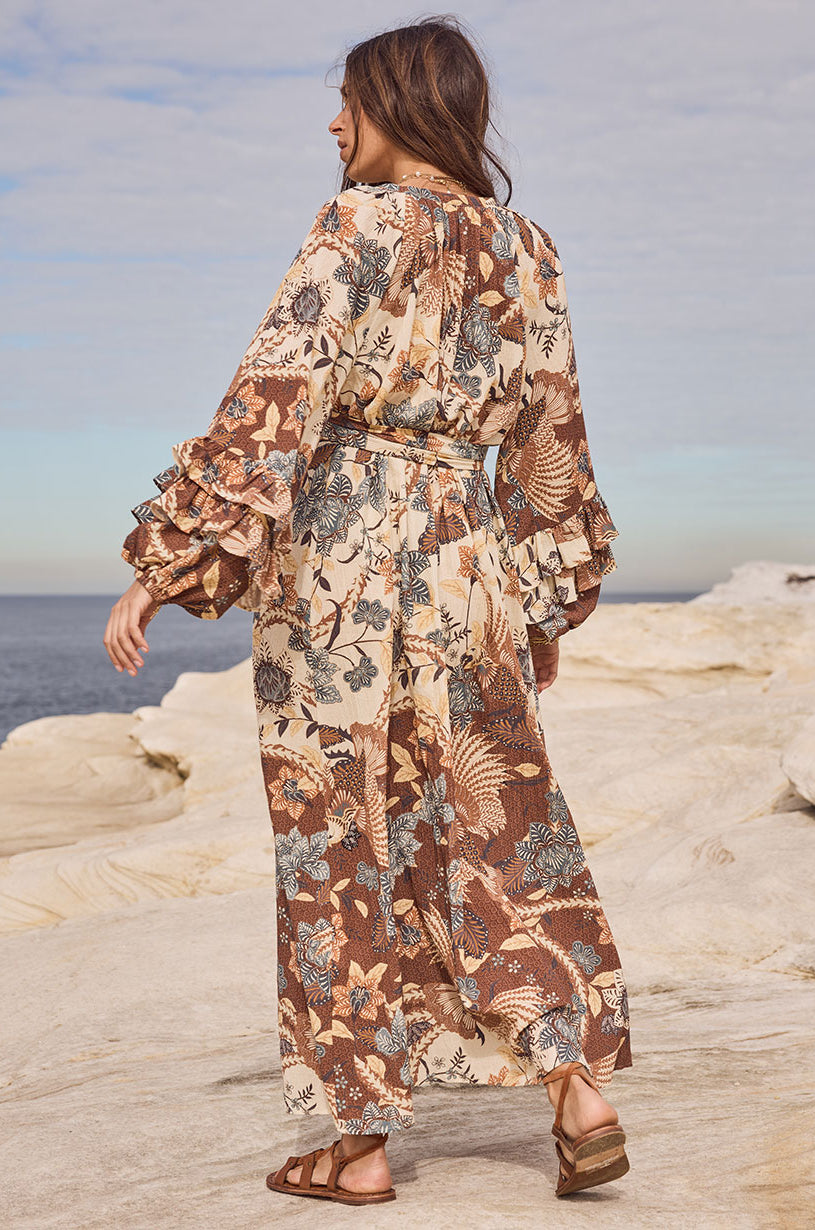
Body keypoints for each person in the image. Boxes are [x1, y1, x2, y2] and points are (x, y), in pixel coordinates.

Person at [105, 14, 632, 1208]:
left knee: (339, 840)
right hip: (468, 564)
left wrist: (164, 564)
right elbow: (550, 437)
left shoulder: (354, 226)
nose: (332, 123)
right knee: (498, 823)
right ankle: (574, 1087)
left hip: (337, 571)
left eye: (346, 99)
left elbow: (273, 396)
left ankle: (358, 1144)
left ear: (396, 103)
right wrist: (535, 609)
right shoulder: (528, 248)